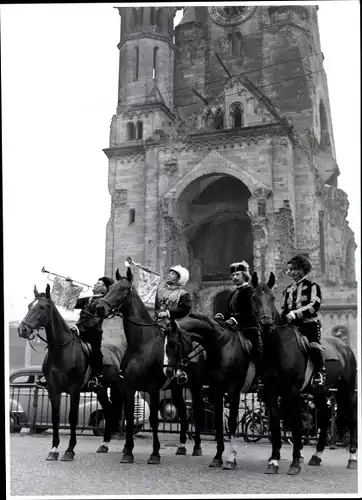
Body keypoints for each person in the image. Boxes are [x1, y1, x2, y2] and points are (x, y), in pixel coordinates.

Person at [281, 254, 326, 388]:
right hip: (290, 327)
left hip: (308, 325)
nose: (291, 272)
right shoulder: (287, 290)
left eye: (294, 269)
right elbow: (284, 308)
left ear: (303, 269)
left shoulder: (313, 286)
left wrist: (296, 314)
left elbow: (314, 305)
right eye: (289, 269)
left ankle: (319, 373)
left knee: (313, 346)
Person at [214, 261, 263, 384]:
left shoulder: (250, 291)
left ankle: (260, 378)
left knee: (258, 349)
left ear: (245, 276)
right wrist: (222, 316)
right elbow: (231, 312)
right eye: (233, 275)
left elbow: (250, 311)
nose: (234, 277)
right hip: (235, 328)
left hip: (249, 327)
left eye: (238, 275)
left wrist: (235, 319)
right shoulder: (232, 294)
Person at [155, 265, 192, 384]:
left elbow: (185, 309)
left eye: (172, 273)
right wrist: (158, 314)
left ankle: (180, 369)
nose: (169, 274)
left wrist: (168, 313)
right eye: (169, 273)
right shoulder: (160, 290)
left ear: (177, 278)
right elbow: (156, 305)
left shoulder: (183, 294)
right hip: (158, 321)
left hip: (174, 323)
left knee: (174, 342)